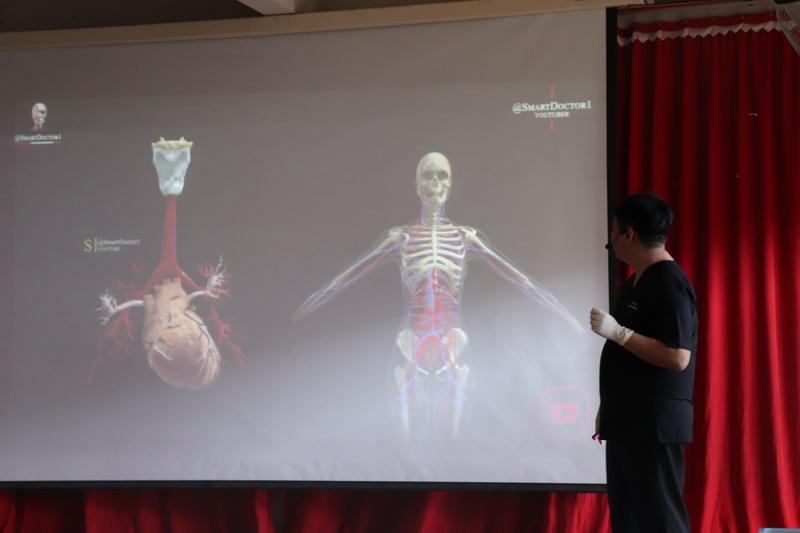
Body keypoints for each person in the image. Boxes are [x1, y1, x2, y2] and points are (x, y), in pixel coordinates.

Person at [295, 152, 583, 438]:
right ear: (417, 187)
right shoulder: (402, 236)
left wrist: (570, 320)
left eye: (442, 176)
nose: (435, 183)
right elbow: (343, 280)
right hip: (413, 334)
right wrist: (297, 317)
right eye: (428, 177)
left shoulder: (464, 236)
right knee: (406, 417)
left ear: (450, 185)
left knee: (454, 409)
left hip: (451, 335)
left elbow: (522, 280)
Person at [589, 191, 698, 533]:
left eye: (613, 229)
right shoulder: (637, 280)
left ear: (628, 234)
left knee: (660, 521)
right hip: (628, 421)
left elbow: (678, 356)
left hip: (653, 425)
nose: (611, 240)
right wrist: (609, 406)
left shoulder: (668, 282)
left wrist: (618, 333)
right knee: (631, 521)